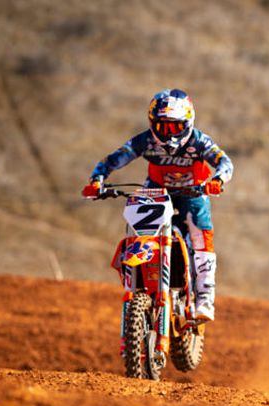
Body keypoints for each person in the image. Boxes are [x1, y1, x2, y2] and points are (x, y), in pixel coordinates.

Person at [82, 88, 233, 321]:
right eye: (163, 127)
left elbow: (224, 162)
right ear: (153, 124)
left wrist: (218, 180)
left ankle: (204, 297)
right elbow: (113, 159)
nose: (169, 134)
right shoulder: (145, 140)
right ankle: (140, 279)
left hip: (194, 190)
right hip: (157, 189)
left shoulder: (199, 141)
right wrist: (97, 180)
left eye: (175, 127)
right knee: (139, 228)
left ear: (188, 123)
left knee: (200, 236)